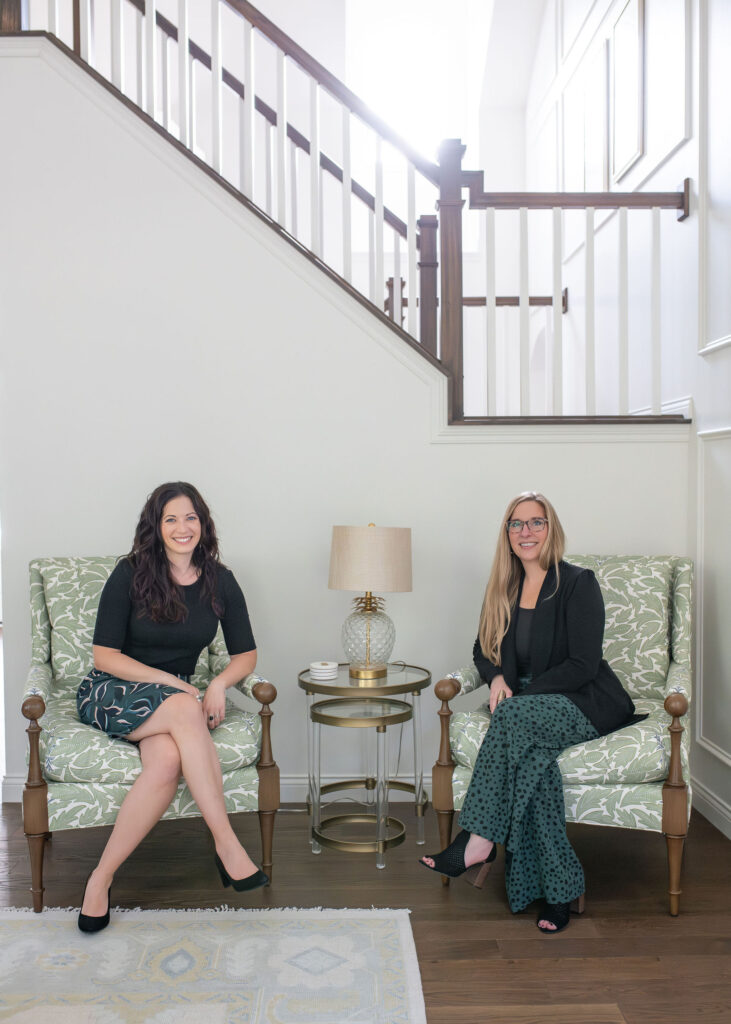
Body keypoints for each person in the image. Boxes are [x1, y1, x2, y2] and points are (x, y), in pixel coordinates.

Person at [420, 491, 637, 933]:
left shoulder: (578, 582)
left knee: (510, 717)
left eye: (537, 522)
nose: (527, 531)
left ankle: (477, 839)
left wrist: (521, 698)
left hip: (583, 699)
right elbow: (481, 649)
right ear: (507, 533)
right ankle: (559, 892)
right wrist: (497, 677)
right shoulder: (504, 587)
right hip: (526, 705)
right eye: (517, 524)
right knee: (537, 766)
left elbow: (583, 664)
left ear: (551, 529)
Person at [76, 481, 267, 933]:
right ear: (156, 527)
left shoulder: (220, 580)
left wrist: (218, 683)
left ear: (203, 523)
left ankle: (99, 880)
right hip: (114, 689)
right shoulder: (130, 573)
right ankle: (226, 843)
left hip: (172, 700)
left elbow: (246, 655)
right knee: (183, 707)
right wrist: (175, 685)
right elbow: (104, 656)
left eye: (191, 517)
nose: (183, 528)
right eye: (171, 519)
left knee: (165, 763)